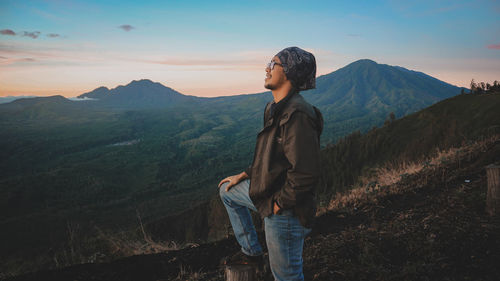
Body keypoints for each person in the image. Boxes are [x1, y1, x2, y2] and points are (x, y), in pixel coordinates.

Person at [218, 46, 323, 281]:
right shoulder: (275, 109)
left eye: (273, 63)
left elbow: (306, 173)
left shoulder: (298, 115)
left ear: (288, 71)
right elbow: (273, 159)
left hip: (287, 211)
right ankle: (252, 253)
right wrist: (245, 175)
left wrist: (277, 206)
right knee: (227, 191)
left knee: (286, 277)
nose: (267, 68)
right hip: (269, 194)